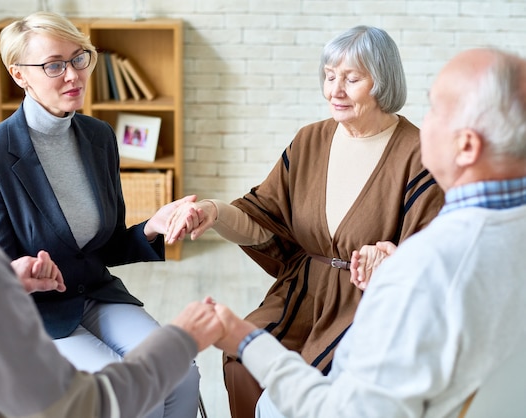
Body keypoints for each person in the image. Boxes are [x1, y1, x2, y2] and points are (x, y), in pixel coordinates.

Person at [0, 22, 225, 418]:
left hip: (95, 293)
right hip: (39, 311)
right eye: (54, 65)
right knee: (145, 396)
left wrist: (153, 226)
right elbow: (80, 401)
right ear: (19, 74)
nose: (73, 74)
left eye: (79, 58)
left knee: (183, 377)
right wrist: (182, 337)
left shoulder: (99, 137)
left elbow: (104, 247)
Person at [210, 46, 526, 417]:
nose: (423, 122)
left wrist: (245, 340)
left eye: (436, 110)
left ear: (467, 145)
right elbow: (267, 215)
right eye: (330, 76)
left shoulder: (424, 269)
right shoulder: (449, 254)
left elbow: (346, 410)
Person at [166, 25, 445, 416]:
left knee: (309, 393)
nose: (335, 90)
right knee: (242, 359)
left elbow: (434, 255)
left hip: (367, 304)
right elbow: (263, 216)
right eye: (330, 76)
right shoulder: (310, 140)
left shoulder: (419, 155)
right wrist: (212, 211)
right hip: (302, 290)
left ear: (383, 82)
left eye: (352, 78)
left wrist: (392, 259)